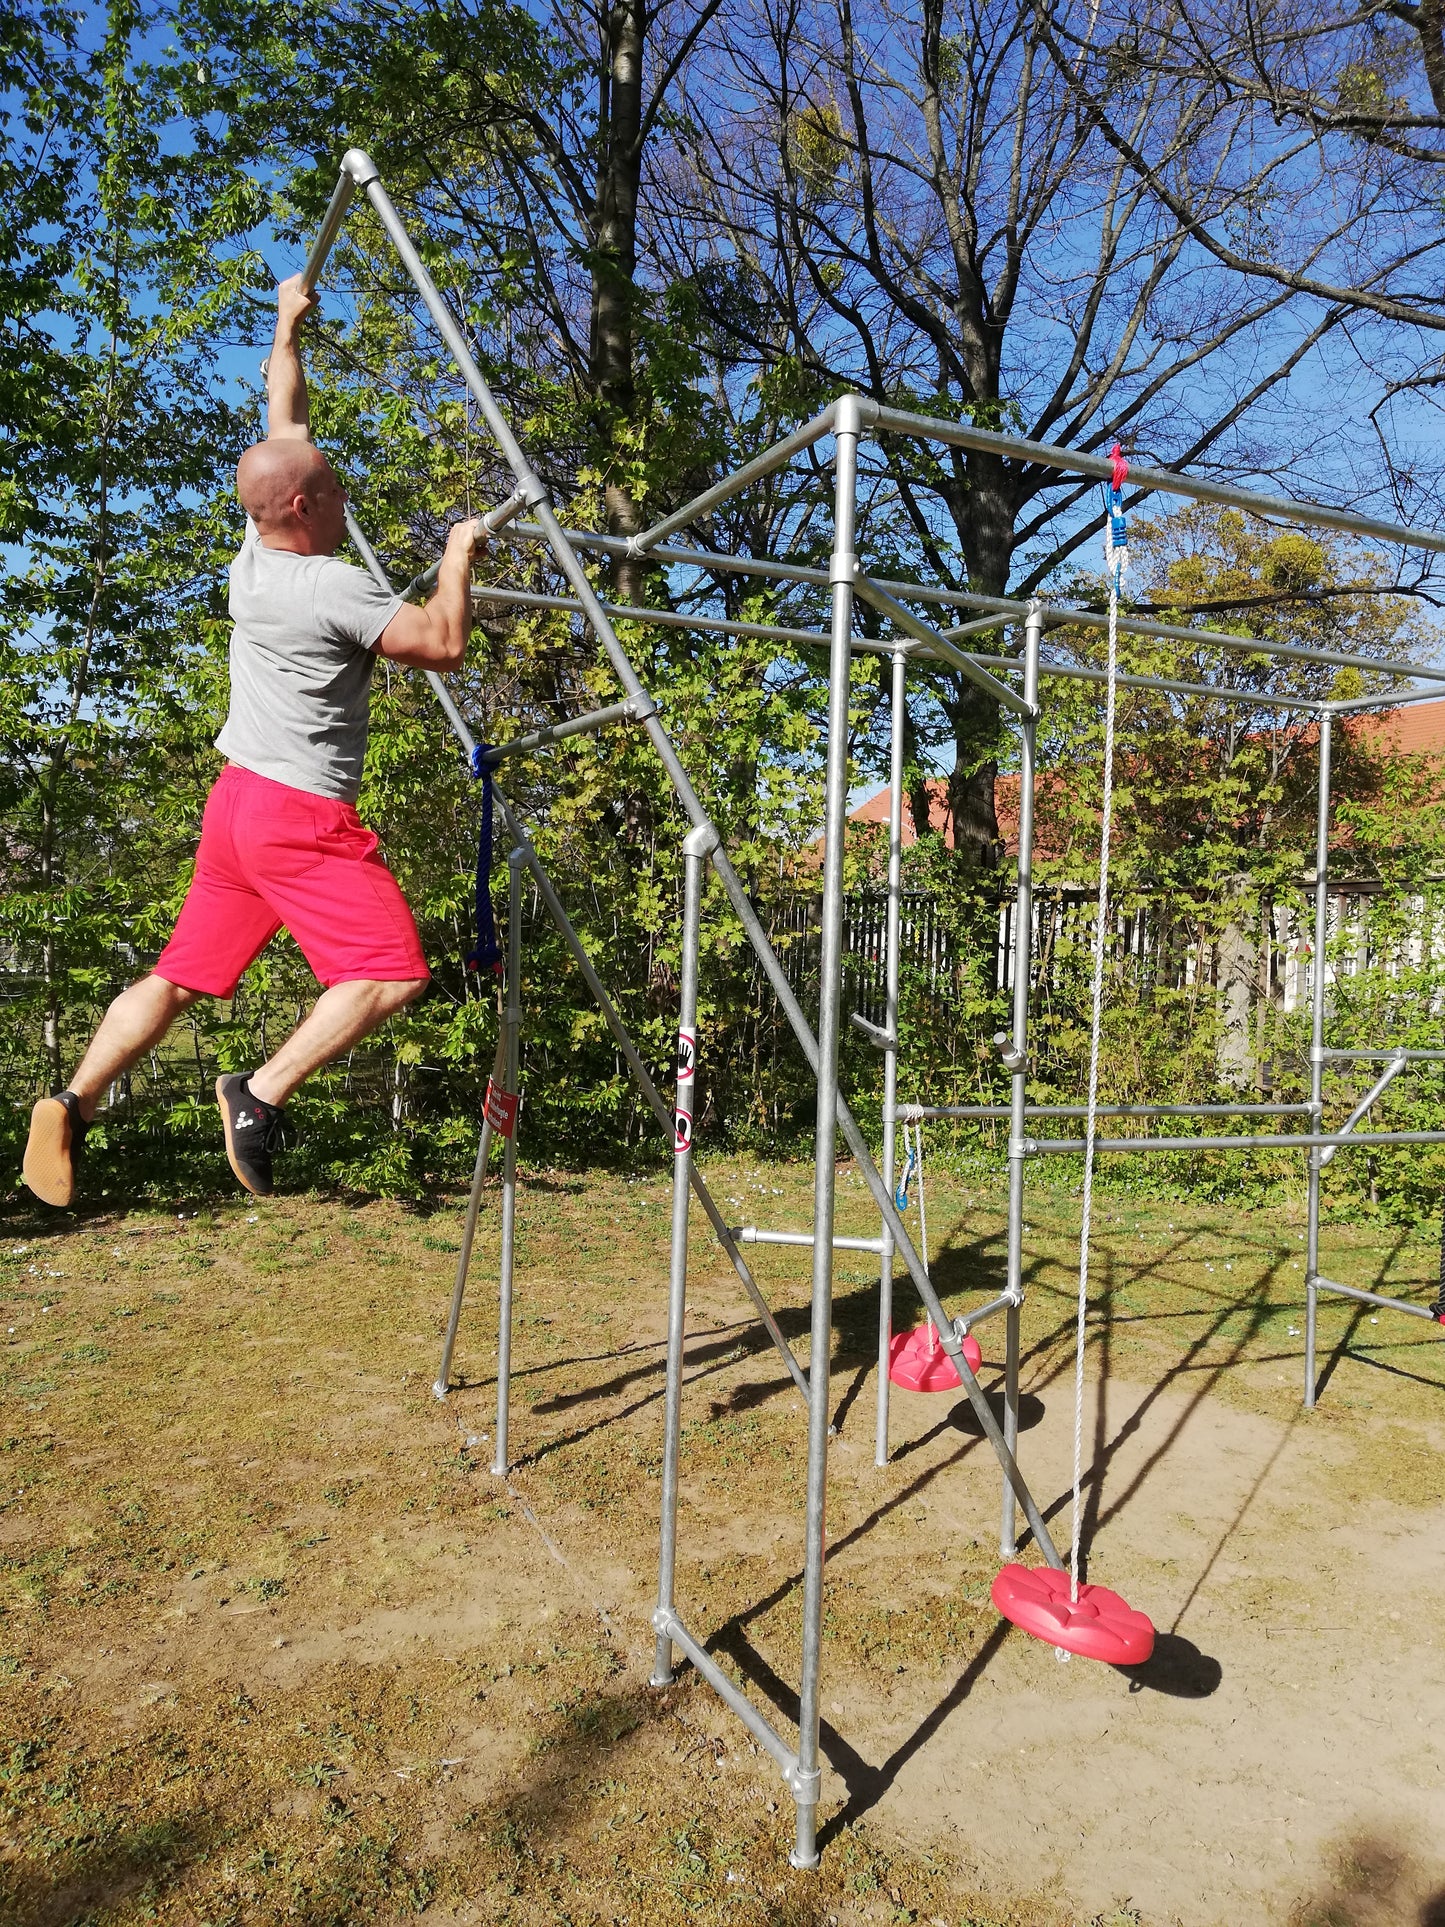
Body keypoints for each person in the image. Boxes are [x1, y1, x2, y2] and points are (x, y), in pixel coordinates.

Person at [23, 276, 481, 1207]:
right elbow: (442, 644)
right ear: (307, 507)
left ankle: (72, 1097)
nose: (345, 493)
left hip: (235, 806)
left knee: (179, 976)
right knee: (391, 970)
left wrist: (286, 322)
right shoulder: (332, 586)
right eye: (336, 487)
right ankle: (257, 1093)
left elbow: (284, 413)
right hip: (295, 814)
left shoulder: (253, 554)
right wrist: (459, 555)